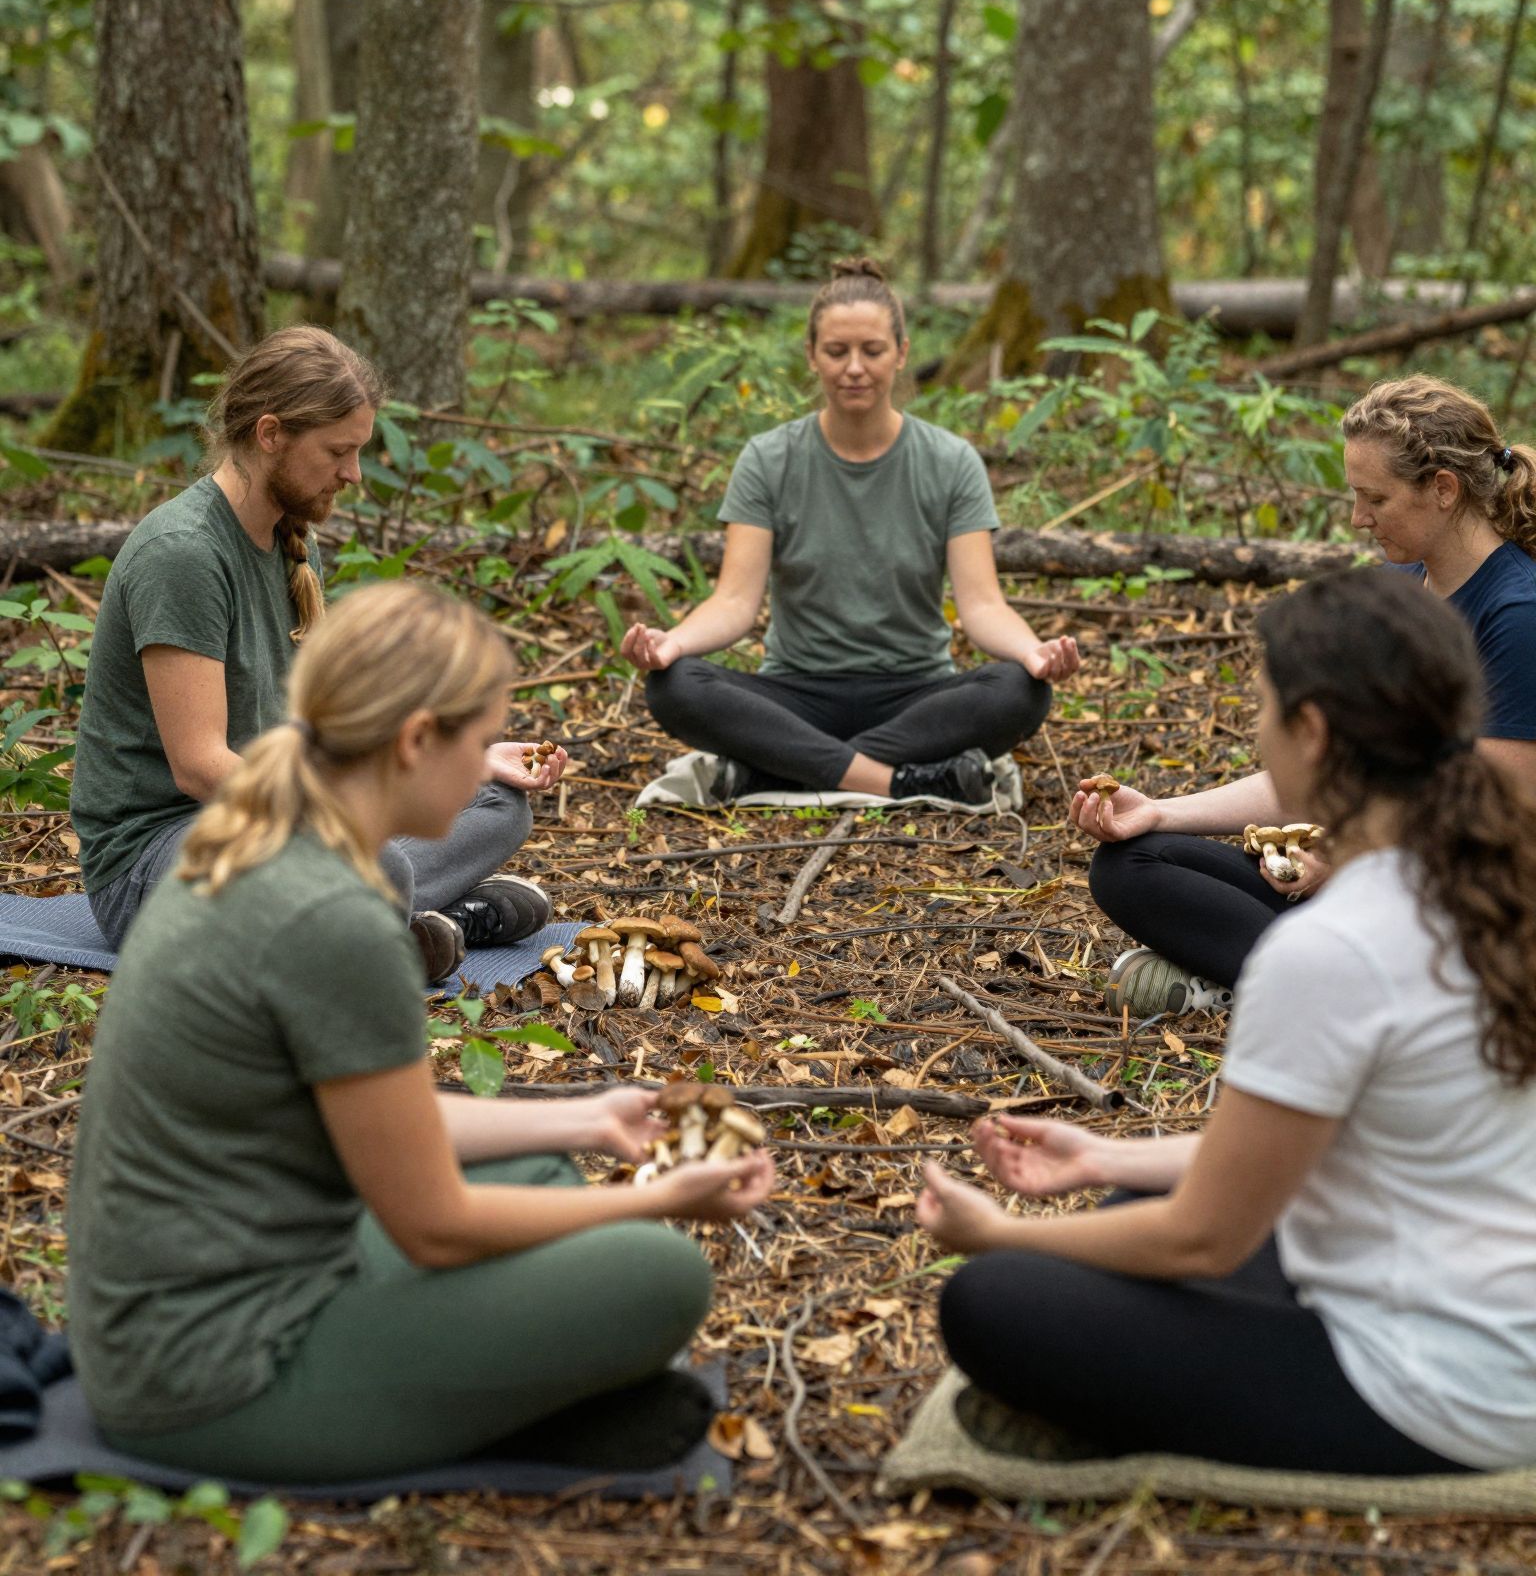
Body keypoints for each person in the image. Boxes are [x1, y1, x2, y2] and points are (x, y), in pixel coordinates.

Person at [66, 582, 774, 1482]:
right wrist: (664, 1200)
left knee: (541, 1172)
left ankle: (512, 1398)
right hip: (215, 1377)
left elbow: (368, 1122)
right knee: (661, 1274)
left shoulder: (269, 833)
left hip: (208, 1287)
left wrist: (589, 1118)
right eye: (479, 744)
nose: (489, 765)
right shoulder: (335, 915)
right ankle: (510, 1412)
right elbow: (434, 1226)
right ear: (413, 742)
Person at [918, 568, 1536, 1475]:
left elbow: (1206, 1237)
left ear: (1314, 732)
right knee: (1134, 1202)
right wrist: (1103, 1155)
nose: (1256, 731)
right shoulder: (1491, 879)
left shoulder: (1331, 949)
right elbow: (1351, 1143)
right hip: (1489, 1299)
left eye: (1263, 710)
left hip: (1453, 1392)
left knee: (995, 1299)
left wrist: (999, 1232)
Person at [70, 326, 563, 979]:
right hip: (159, 859)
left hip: (279, 820)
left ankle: (394, 918)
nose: (353, 473)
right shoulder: (182, 555)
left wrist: (462, 760)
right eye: (338, 451)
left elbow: (316, 736)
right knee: (376, 861)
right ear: (270, 434)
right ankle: (410, 917)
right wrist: (349, 818)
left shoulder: (293, 542)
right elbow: (199, 768)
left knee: (497, 805)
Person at [1075, 374, 1536, 1017]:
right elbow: (1322, 767)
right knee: (1131, 862)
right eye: (1355, 495)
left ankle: (1317, 990)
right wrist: (1159, 811)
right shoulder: (1398, 588)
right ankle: (1297, 979)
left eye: (1375, 497)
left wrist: (1349, 853)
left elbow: (1499, 813)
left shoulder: (1517, 612)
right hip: (1370, 874)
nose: (1358, 518)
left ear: (1443, 490)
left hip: (1464, 902)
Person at [621, 259, 1079, 806]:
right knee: (675, 686)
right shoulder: (769, 459)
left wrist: (1034, 653)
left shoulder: (951, 461)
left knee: (1019, 692)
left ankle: (780, 768)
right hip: (796, 691)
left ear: (902, 353)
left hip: (915, 696)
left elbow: (981, 606)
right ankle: (895, 781)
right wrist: (672, 643)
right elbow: (734, 601)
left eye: (873, 351)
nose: (854, 368)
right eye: (837, 352)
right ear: (812, 355)